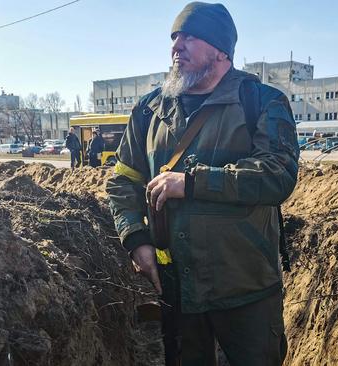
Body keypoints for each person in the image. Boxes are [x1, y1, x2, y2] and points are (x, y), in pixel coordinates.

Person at [107, 2, 299, 365]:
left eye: (190, 36)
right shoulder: (149, 111)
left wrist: (192, 183)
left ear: (221, 50)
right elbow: (122, 181)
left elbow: (278, 174)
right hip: (177, 287)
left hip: (247, 289)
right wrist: (135, 239)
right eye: (175, 36)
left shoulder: (261, 102)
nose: (177, 45)